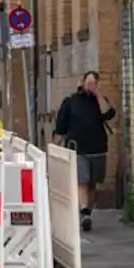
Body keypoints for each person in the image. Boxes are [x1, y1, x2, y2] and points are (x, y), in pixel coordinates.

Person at [53, 70, 116, 232]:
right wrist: (54, 148)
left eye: (93, 83)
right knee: (82, 180)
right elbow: (60, 126)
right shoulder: (71, 102)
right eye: (88, 83)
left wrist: (97, 94)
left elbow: (108, 114)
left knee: (92, 184)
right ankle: (84, 211)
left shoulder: (100, 101)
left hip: (98, 148)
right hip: (77, 148)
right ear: (81, 82)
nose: (90, 86)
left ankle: (87, 213)